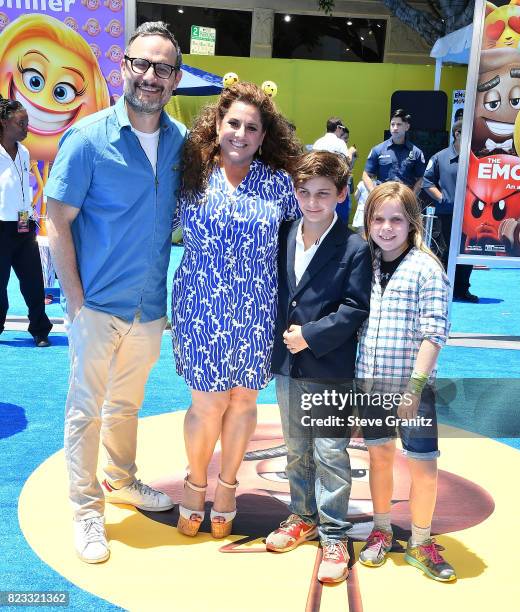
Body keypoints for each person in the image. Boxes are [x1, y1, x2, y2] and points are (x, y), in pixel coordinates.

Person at [44, 22, 187, 564]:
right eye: (142, 65)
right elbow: (57, 222)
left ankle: (122, 480)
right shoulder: (86, 139)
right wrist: (75, 301)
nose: (151, 77)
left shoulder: (180, 143)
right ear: (122, 67)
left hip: (149, 307)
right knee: (85, 410)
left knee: (126, 405)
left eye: (163, 68)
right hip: (97, 305)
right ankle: (86, 510)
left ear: (174, 79)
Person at [172, 81, 302, 539]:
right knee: (206, 404)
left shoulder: (282, 186)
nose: (241, 134)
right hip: (199, 306)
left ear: (264, 137)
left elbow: (300, 245)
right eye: (233, 123)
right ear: (217, 125)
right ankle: (195, 484)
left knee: (244, 400)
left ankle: (227, 488)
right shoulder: (190, 174)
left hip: (257, 310)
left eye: (252, 127)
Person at [264, 151, 371, 583]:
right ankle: (301, 515)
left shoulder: (354, 247)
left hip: (329, 363)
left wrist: (311, 334)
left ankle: (334, 533)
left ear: (342, 195)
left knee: (330, 451)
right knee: (295, 447)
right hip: (288, 363)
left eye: (323, 194)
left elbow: (355, 308)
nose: (312, 202)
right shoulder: (285, 232)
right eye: (304, 192)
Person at [356, 182, 456, 582]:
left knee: (423, 465)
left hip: (413, 389)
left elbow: (435, 334)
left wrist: (414, 389)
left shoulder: (427, 269)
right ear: (368, 223)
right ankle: (381, 530)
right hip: (371, 383)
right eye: (378, 219)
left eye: (396, 219)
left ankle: (420, 539)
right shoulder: (364, 264)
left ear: (412, 223)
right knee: (379, 458)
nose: (386, 227)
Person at [0, 97, 52, 347]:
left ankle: (40, 329)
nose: (26, 127)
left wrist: (28, 216)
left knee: (34, 281)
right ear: (3, 122)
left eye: (27, 122)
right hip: (0, 226)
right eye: (21, 123)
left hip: (23, 225)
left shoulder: (24, 151)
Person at [423, 120, 478, 302]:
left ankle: (462, 289)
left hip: (470, 216)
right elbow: (427, 182)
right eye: (467, 133)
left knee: (467, 251)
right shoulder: (440, 157)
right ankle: (442, 289)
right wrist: (442, 198)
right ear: (457, 134)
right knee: (443, 252)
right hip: (446, 214)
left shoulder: (477, 158)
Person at [362, 109, 425, 194]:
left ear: (407, 127)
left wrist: (412, 196)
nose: (395, 128)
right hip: (383, 199)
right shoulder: (377, 150)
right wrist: (374, 194)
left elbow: (421, 178)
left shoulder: (416, 153)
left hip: (405, 200)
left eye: (399, 124)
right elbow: (366, 175)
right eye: (392, 124)